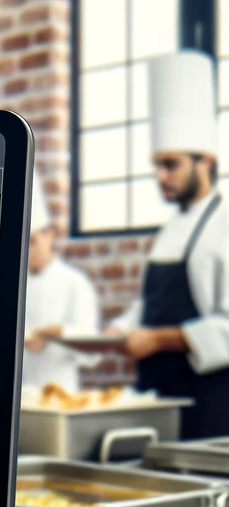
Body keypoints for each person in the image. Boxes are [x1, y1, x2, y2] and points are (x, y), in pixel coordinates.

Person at [109, 49, 229, 439]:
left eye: (171, 164)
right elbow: (153, 306)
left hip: (207, 401)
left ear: (205, 161)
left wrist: (157, 339)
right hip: (155, 395)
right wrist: (120, 329)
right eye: (157, 165)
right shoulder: (171, 227)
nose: (161, 176)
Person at [22, 173, 101, 392]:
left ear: (50, 234)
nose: (27, 252)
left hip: (60, 392)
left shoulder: (74, 282)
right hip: (18, 394)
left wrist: (60, 333)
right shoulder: (14, 287)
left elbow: (92, 353)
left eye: (33, 242)